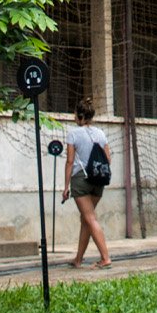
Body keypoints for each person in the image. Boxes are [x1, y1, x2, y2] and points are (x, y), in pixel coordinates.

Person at [61, 96, 112, 268]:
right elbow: (108, 159)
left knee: (90, 218)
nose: (74, 117)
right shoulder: (101, 133)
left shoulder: (73, 134)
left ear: (80, 116)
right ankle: (78, 259)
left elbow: (69, 161)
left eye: (75, 114)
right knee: (86, 220)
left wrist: (66, 186)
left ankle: (105, 258)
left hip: (81, 180)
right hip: (98, 180)